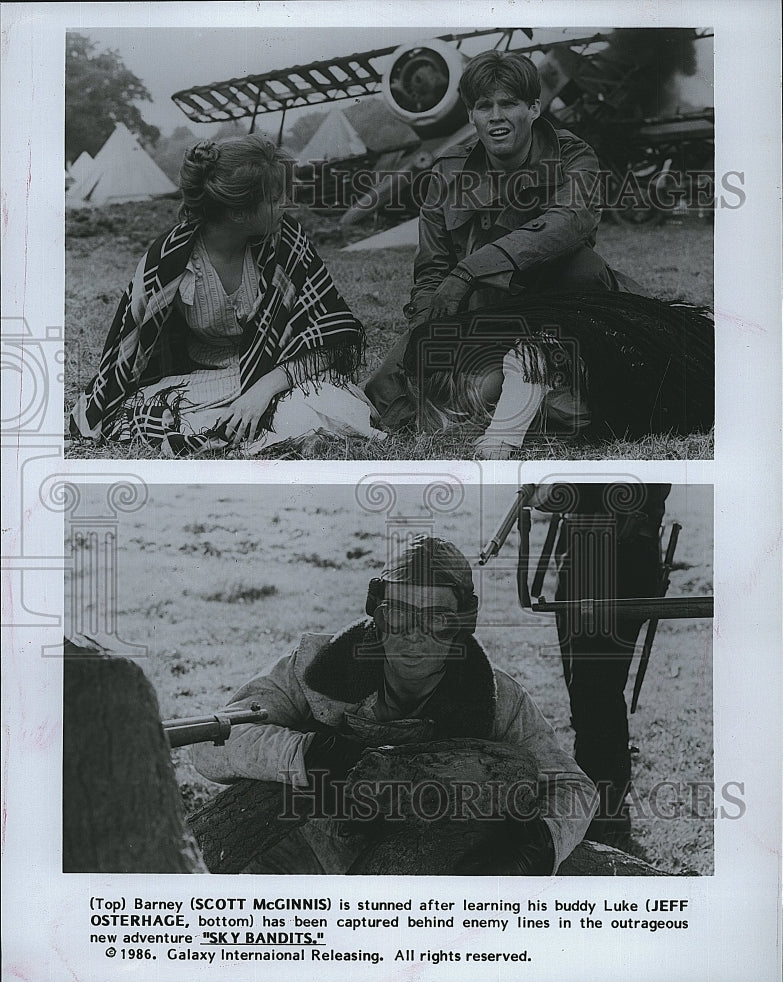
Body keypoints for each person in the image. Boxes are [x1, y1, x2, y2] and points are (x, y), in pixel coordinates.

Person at [190, 534, 598, 875]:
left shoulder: (496, 696)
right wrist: (308, 754)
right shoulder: (316, 667)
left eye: (437, 618)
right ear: (376, 614)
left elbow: (576, 788)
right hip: (298, 860)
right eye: (399, 615)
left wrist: (539, 846)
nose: (415, 636)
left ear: (461, 622)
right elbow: (210, 745)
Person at [363, 50, 646, 456]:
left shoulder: (573, 156)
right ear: (471, 115)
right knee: (389, 394)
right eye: (484, 106)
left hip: (561, 303)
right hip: (485, 309)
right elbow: (431, 270)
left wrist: (468, 272)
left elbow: (569, 221)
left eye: (509, 103)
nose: (496, 116)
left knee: (585, 274)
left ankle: (554, 384)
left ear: (533, 107)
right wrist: (426, 328)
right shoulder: (446, 173)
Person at [69, 133, 381, 456]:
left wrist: (263, 390)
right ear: (238, 213)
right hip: (204, 381)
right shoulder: (170, 260)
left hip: (277, 371)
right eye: (275, 200)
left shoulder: (286, 242)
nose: (286, 206)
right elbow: (128, 352)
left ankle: (257, 422)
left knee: (335, 410)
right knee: (141, 415)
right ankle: (255, 427)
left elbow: (329, 339)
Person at [533, 482, 672, 845]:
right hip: (589, 553)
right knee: (592, 695)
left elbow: (561, 494)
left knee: (595, 694)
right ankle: (603, 805)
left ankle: (596, 813)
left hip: (613, 556)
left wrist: (548, 489)